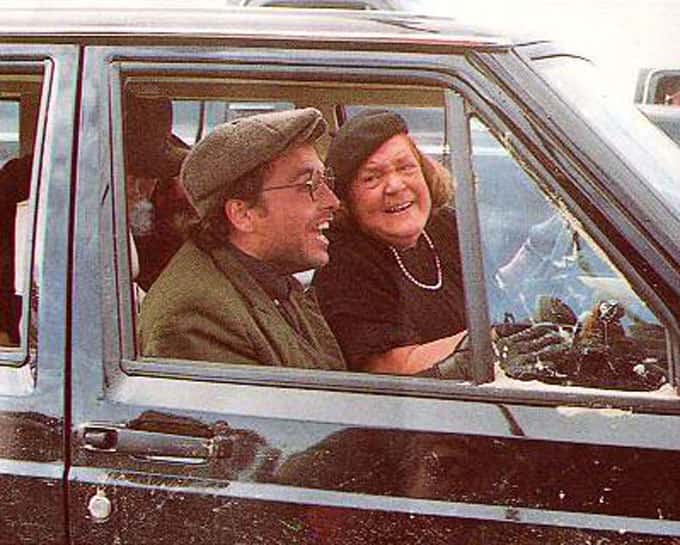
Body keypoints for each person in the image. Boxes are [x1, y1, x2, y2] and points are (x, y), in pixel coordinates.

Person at [139, 107, 346, 371]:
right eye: (310, 186)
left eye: (326, 181)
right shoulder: (197, 318)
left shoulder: (268, 279)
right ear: (243, 214)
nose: (333, 201)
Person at [314, 110, 468, 377]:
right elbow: (391, 367)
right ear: (346, 199)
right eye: (371, 178)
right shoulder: (342, 264)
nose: (395, 186)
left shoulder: (446, 226)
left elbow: (498, 296)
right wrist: (491, 342)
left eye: (406, 167)